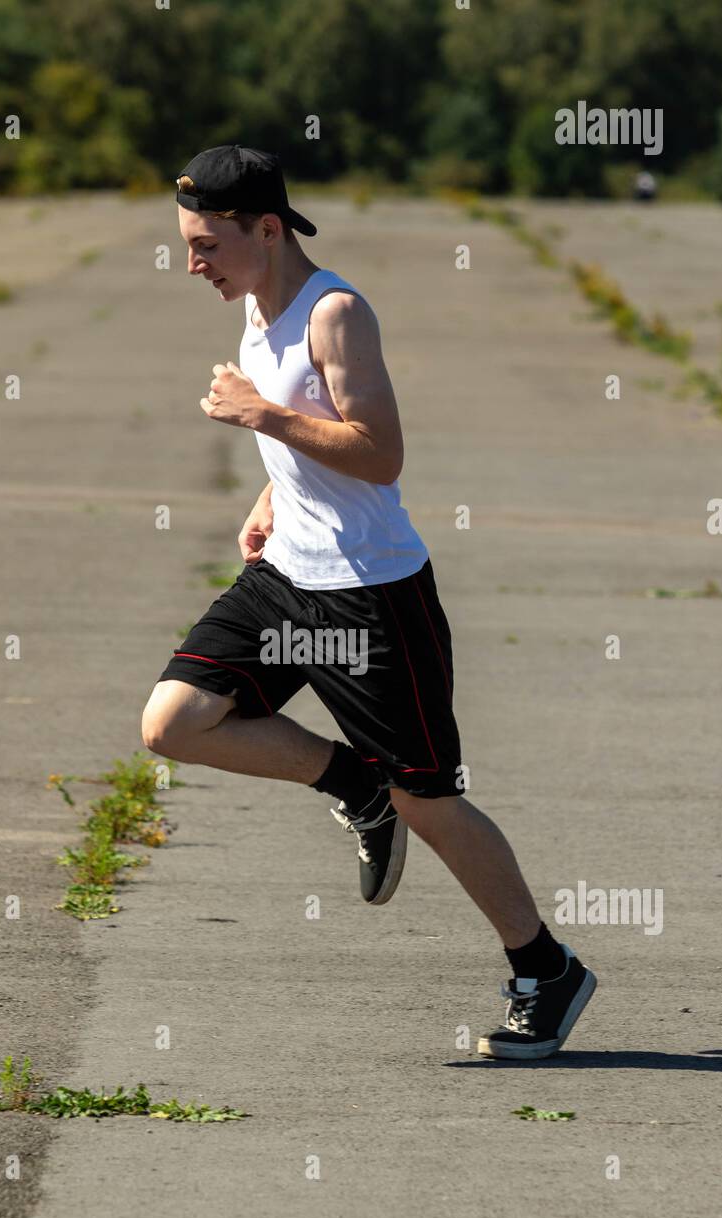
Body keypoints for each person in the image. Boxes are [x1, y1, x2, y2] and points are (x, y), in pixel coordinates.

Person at [141, 144, 596, 1058]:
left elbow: (379, 454)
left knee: (430, 798)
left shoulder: (335, 313)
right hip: (286, 582)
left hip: (372, 598)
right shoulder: (258, 312)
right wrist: (271, 498)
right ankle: (353, 786)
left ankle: (545, 969)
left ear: (265, 229)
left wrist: (261, 417)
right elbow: (313, 445)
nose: (192, 263)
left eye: (205, 245)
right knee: (174, 723)